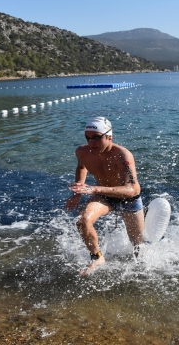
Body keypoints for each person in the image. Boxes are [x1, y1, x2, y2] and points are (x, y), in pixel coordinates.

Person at [65, 117, 145, 275]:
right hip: (103, 196)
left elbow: (133, 189)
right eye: (88, 138)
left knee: (138, 246)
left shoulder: (123, 155)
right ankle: (97, 257)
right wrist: (77, 192)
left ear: (109, 137)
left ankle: (140, 274)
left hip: (128, 200)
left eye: (97, 137)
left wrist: (93, 189)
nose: (91, 142)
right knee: (82, 221)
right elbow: (81, 167)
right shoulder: (82, 152)